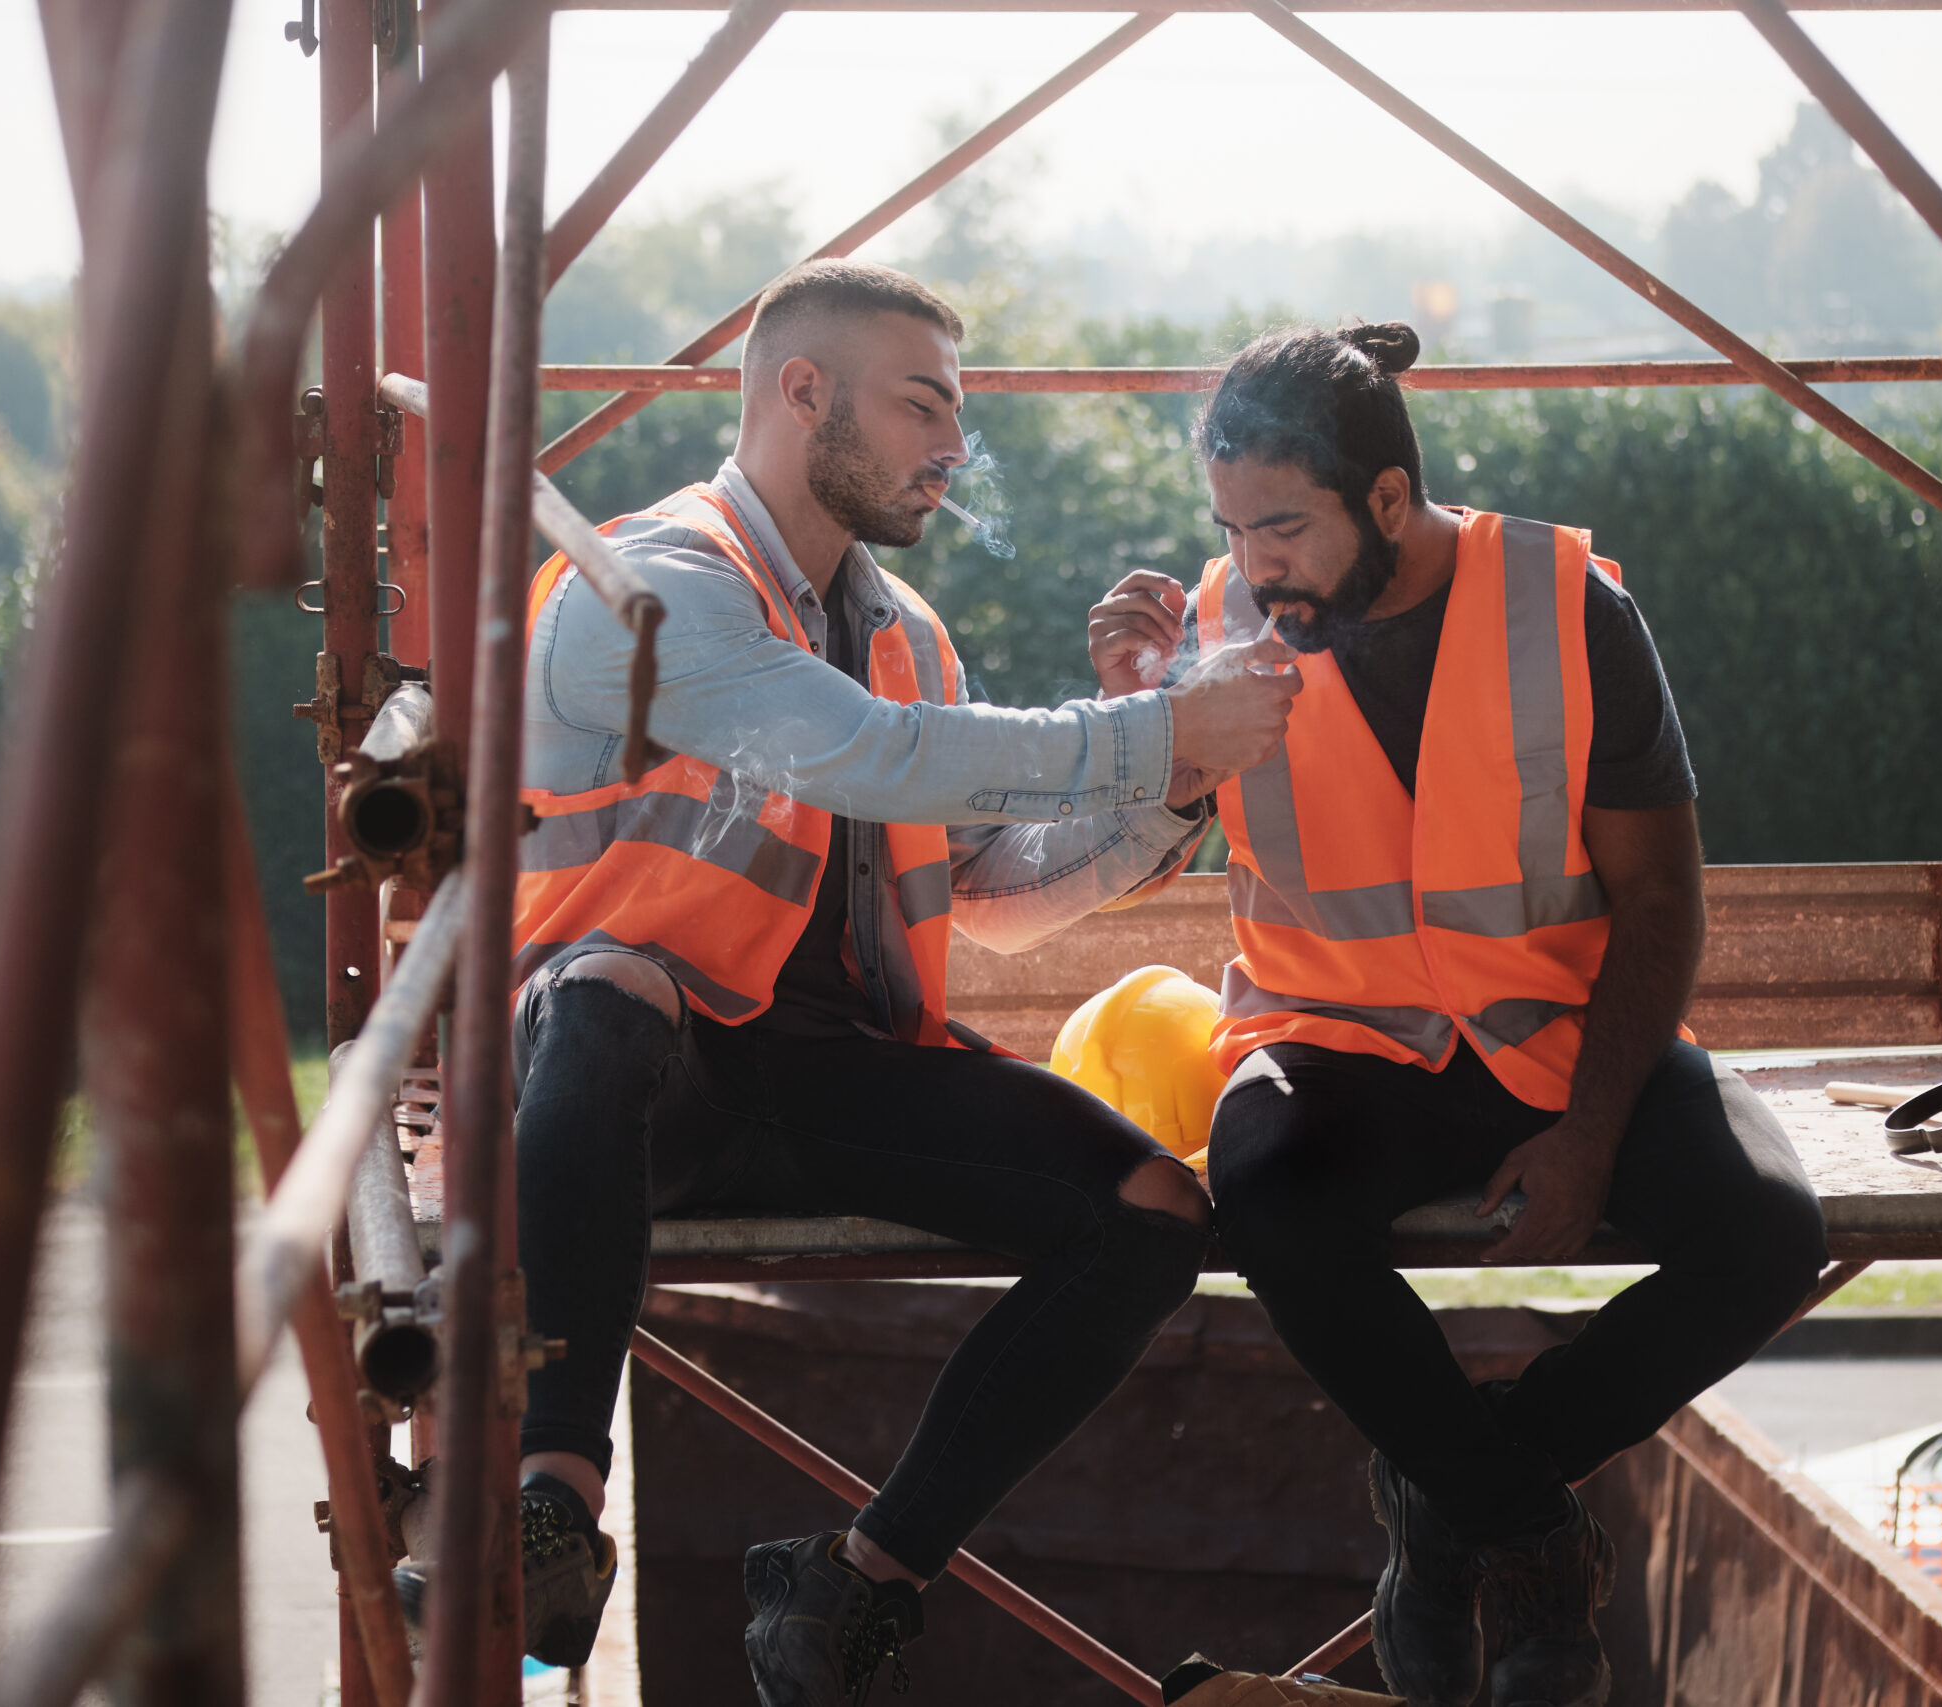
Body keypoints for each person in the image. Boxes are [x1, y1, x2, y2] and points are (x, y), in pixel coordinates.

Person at [415, 260, 1301, 1703]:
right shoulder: (647, 587)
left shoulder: (907, 634)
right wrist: (1146, 727)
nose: (955, 449)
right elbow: (860, 755)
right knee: (607, 992)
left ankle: (862, 1577)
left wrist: (1177, 778)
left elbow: (1001, 898)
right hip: (631, 1089)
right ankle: (553, 1503)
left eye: (957, 415)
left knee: (1152, 1212)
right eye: (924, 406)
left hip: (829, 1078)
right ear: (800, 392)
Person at [1089, 323, 1828, 1707]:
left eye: (1285, 526)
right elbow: (1125, 856)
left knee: (1771, 1231)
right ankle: (1530, 1539)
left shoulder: (1571, 608)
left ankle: (1449, 1493)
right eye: (1233, 527)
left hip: (1562, 1038)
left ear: (1385, 500)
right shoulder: (1211, 633)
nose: (1256, 564)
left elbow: (1661, 901)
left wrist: (1595, 1133)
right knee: (1260, 1201)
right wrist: (1135, 719)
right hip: (1335, 1045)